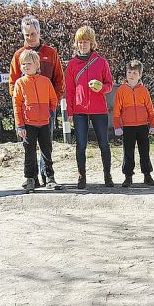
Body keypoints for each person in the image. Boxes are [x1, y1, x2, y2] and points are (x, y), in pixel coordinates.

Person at [9, 15, 64, 186]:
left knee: (46, 145)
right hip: (29, 113)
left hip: (47, 110)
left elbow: (59, 80)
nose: (30, 38)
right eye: (27, 35)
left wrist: (52, 105)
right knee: (30, 148)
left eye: (33, 34)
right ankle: (31, 178)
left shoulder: (50, 53)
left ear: (39, 32)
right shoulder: (19, 56)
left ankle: (47, 176)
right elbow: (14, 84)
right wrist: (23, 107)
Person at [65, 25, 114, 189]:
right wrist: (70, 112)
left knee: (104, 144)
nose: (83, 45)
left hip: (99, 109)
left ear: (92, 43)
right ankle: (81, 176)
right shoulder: (72, 65)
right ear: (76, 44)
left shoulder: (101, 62)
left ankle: (107, 175)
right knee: (81, 145)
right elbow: (70, 90)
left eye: (86, 41)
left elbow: (110, 85)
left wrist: (102, 87)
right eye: (80, 42)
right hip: (79, 110)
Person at [13, 49, 59, 192]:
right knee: (29, 153)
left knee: (47, 151)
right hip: (28, 124)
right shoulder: (20, 83)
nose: (26, 66)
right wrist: (20, 125)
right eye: (23, 64)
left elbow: (53, 99)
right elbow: (17, 104)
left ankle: (50, 178)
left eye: (29, 63)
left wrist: (50, 112)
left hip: (44, 123)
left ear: (37, 65)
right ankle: (30, 179)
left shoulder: (45, 82)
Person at [113, 59, 154, 187]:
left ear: (140, 75)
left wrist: (153, 124)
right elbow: (117, 110)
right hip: (128, 127)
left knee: (144, 151)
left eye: (135, 73)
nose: (131, 75)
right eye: (129, 72)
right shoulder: (121, 90)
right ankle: (128, 176)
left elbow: (150, 108)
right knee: (128, 152)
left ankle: (147, 175)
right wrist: (117, 126)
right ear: (126, 74)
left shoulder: (144, 91)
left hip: (143, 126)